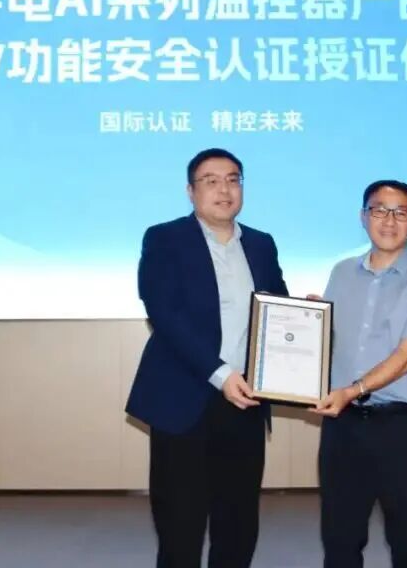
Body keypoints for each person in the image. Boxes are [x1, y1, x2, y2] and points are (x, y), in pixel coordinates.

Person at [126, 148, 289, 568]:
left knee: (238, 522)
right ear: (190, 191)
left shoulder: (261, 244)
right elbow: (164, 312)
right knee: (180, 525)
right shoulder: (164, 238)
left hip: (246, 400)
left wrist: (302, 316)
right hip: (184, 401)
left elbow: (276, 310)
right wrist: (219, 374)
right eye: (211, 180)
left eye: (233, 179)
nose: (224, 189)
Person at [310, 180, 407, 568]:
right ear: (363, 216)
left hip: (401, 430)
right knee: (339, 538)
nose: (389, 220)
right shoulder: (341, 273)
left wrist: (352, 389)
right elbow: (332, 339)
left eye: (400, 212)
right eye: (379, 210)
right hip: (343, 428)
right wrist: (310, 320)